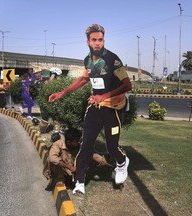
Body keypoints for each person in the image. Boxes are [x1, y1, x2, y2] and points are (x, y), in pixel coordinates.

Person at [48, 23, 132, 195]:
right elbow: (82, 80)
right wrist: (62, 92)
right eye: (94, 40)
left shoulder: (112, 59)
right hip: (95, 106)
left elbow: (127, 85)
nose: (97, 43)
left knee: (111, 146)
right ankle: (79, 182)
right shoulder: (87, 60)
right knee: (85, 144)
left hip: (114, 108)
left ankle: (122, 163)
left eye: (100, 40)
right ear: (88, 42)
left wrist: (104, 96)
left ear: (103, 40)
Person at [43, 128, 113, 190]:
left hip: (75, 172)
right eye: (77, 141)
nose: (79, 142)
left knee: (91, 156)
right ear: (68, 142)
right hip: (64, 170)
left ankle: (76, 180)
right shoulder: (58, 144)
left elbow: (94, 155)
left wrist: (109, 164)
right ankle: (59, 179)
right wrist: (69, 167)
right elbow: (52, 158)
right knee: (50, 160)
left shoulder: (81, 146)